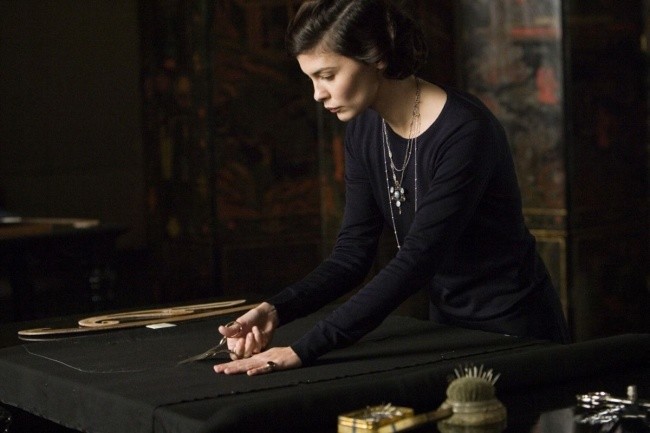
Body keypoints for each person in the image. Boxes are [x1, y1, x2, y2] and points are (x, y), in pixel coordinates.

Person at [214, 0, 571, 376]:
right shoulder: (363, 130)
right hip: (446, 329)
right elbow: (351, 256)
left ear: (377, 57)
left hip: (514, 328)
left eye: (328, 75)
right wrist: (274, 310)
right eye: (311, 79)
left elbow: (417, 260)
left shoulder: (465, 131)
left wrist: (304, 349)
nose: (317, 93)